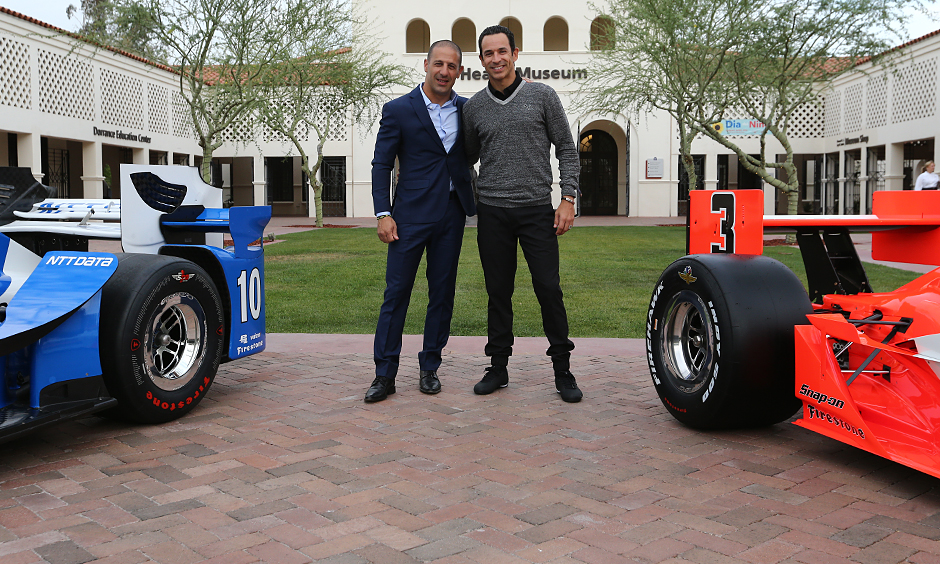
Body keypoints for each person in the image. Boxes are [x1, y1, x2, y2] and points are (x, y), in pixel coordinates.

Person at [462, 25, 582, 403]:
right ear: (481, 60)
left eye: (502, 51)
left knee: (548, 288)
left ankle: (562, 370)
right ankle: (498, 367)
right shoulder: (473, 108)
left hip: (536, 211)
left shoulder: (542, 96)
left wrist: (568, 198)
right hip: (492, 213)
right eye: (488, 53)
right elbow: (466, 158)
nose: (496, 58)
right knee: (498, 292)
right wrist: (475, 195)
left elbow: (567, 149)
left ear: (515, 54)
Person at [366, 40, 476, 403]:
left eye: (452, 66)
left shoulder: (468, 110)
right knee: (396, 294)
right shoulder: (398, 109)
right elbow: (382, 164)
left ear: (459, 71)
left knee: (441, 294)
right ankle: (385, 374)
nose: (444, 71)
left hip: (451, 214)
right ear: (426, 65)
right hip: (408, 217)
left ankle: (430, 367)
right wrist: (383, 213)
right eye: (438, 64)